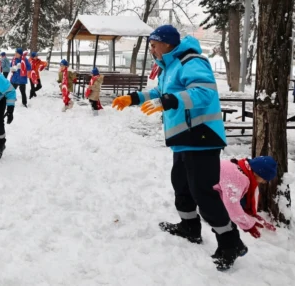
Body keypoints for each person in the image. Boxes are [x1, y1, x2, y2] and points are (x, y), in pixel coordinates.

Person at [111, 25, 246, 271]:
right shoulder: (169, 67)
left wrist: (169, 100)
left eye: (154, 44)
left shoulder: (191, 61)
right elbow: (160, 93)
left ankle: (230, 242)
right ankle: (189, 227)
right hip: (184, 137)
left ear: (168, 44)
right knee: (181, 185)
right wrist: (133, 98)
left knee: (203, 192)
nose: (152, 49)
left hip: (202, 136)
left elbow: (204, 93)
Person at [214, 156, 278, 239]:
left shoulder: (240, 166)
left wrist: (251, 215)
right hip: (200, 189)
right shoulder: (238, 178)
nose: (265, 182)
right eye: (265, 179)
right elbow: (231, 207)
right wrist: (249, 225)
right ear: (257, 173)